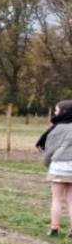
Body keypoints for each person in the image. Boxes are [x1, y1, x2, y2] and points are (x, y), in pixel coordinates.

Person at [38, 100, 72, 237]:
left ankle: (54, 229)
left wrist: (47, 163)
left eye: (56, 110)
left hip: (59, 166)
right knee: (71, 199)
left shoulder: (56, 128)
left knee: (57, 199)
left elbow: (49, 149)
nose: (54, 113)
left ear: (64, 112)